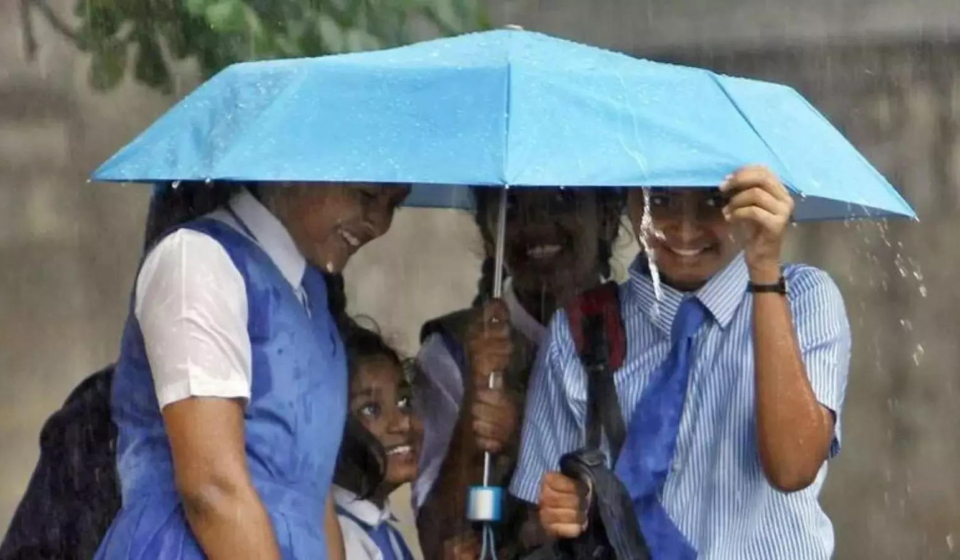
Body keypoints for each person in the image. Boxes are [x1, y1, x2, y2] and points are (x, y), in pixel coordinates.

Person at [515, 166, 852, 559]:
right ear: (628, 199)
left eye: (714, 201)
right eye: (659, 201)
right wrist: (568, 507)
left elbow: (793, 469)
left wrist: (763, 270)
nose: (685, 229)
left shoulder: (802, 298)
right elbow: (533, 522)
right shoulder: (578, 330)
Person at [94, 180, 409, 560]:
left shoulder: (311, 293)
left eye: (396, 204)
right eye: (368, 196)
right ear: (296, 168)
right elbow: (211, 489)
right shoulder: (198, 258)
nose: (378, 223)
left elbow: (314, 490)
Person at [413, 187, 623, 559]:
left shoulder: (646, 335)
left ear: (606, 217)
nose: (538, 224)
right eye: (511, 204)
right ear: (487, 230)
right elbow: (437, 540)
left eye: (562, 198)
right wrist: (471, 420)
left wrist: (522, 438)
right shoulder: (452, 353)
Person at [332, 322, 423, 560]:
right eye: (371, 409)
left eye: (404, 401)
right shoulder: (341, 537)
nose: (403, 422)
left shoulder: (384, 533)